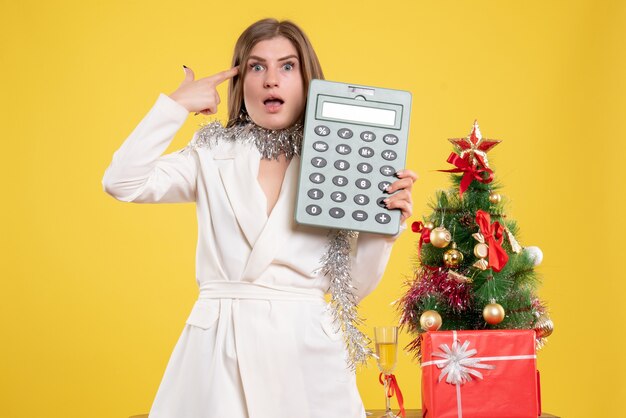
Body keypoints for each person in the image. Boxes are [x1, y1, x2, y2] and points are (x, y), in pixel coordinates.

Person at [102, 18, 417, 418]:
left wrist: (384, 228)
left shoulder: (342, 164)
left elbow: (351, 289)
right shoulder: (210, 153)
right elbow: (122, 182)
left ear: (308, 81)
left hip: (307, 358)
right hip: (218, 353)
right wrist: (175, 106)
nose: (272, 80)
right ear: (240, 82)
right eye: (257, 67)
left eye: (287, 66)